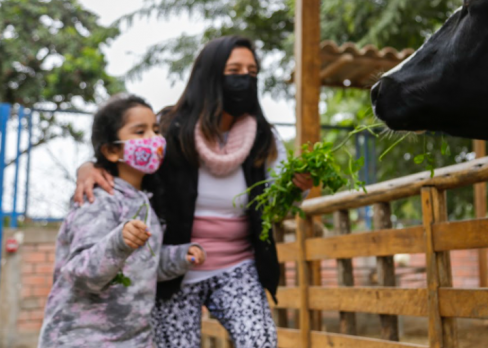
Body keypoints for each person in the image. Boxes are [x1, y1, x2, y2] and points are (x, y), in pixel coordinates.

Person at [74, 36, 313, 347]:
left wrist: (296, 190)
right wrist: (87, 167)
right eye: (234, 70)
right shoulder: (168, 129)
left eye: (252, 72)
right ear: (211, 74)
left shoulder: (265, 138)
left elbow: (278, 207)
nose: (245, 78)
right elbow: (127, 158)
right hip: (173, 268)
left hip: (238, 266)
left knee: (260, 341)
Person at [40, 94, 205, 347]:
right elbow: (82, 273)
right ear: (112, 150)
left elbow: (143, 266)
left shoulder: (144, 202)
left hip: (134, 340)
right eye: (140, 132)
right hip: (82, 339)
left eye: (156, 130)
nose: (154, 139)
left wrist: (182, 257)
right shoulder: (98, 199)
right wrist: (120, 241)